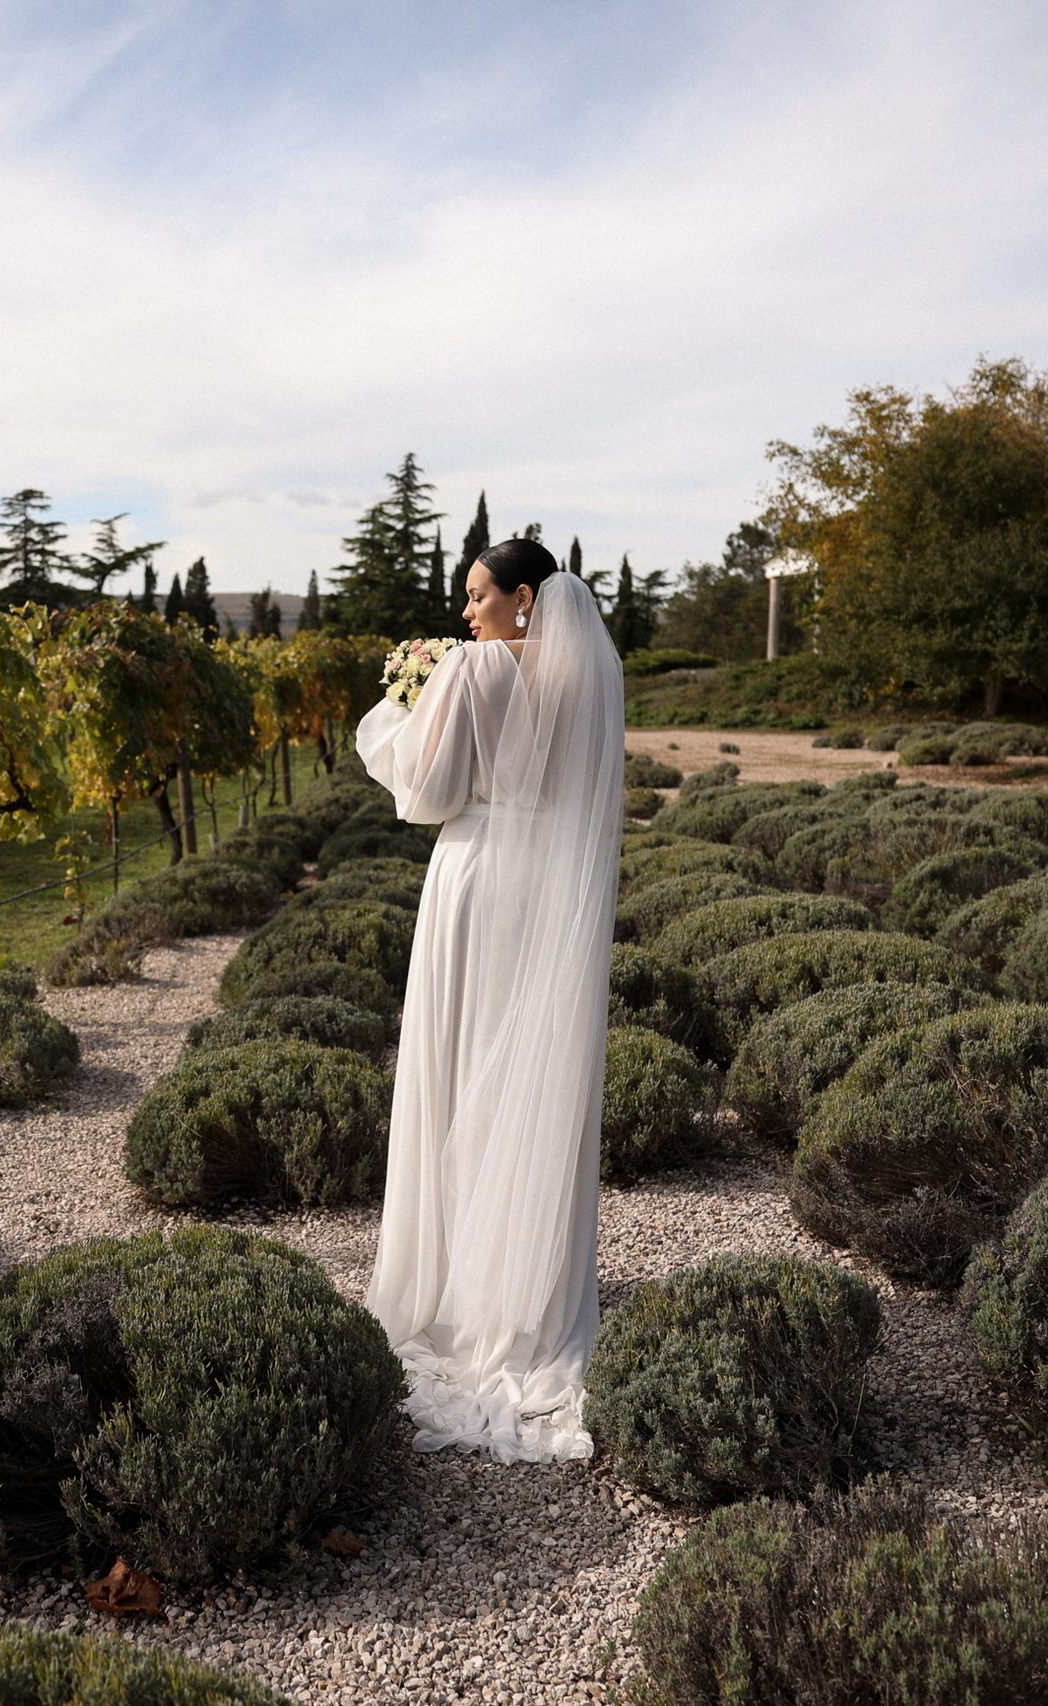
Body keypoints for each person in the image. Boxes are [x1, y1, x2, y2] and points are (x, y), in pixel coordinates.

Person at [353, 536, 624, 1463]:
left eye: (477, 596)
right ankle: (524, 1298)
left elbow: (426, 795)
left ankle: (451, 1293)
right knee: (521, 1083)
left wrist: (398, 712)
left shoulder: (472, 671)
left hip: (473, 881)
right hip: (543, 896)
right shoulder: (587, 684)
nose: (465, 615)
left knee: (456, 1073)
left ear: (522, 600)